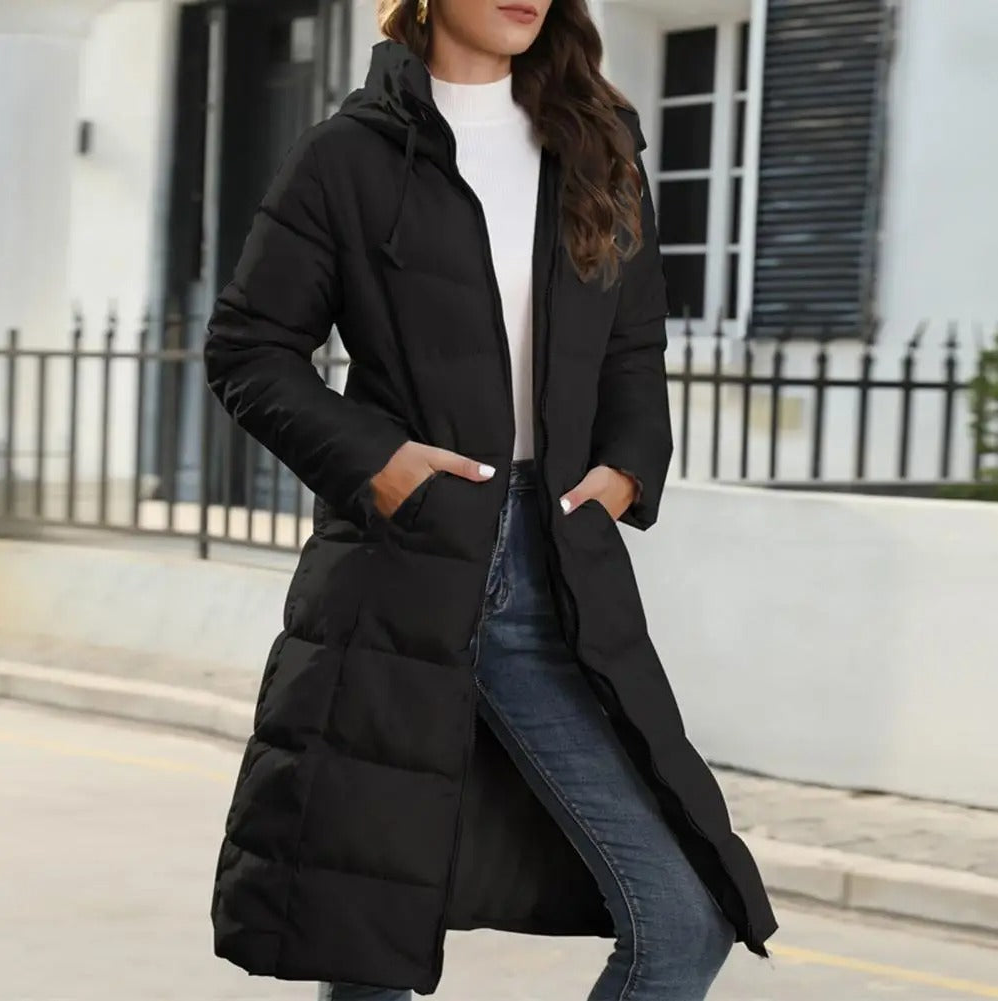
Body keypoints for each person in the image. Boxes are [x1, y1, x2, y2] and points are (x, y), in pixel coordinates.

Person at [202, 0, 777, 999]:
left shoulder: (596, 144)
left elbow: (634, 343)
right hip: (400, 564)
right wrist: (380, 462)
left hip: (552, 570)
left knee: (683, 919)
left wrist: (627, 467)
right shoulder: (347, 157)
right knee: (364, 933)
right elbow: (249, 349)